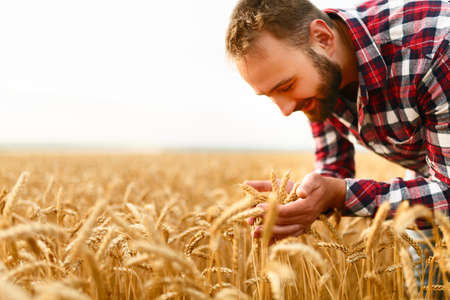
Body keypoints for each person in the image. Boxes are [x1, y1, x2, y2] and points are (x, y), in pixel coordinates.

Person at [225, 0, 449, 290]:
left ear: (323, 38)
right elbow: (334, 167)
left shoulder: (435, 53)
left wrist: (340, 195)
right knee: (428, 288)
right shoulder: (319, 82)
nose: (285, 108)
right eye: (270, 95)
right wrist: (303, 198)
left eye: (285, 86)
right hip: (429, 177)